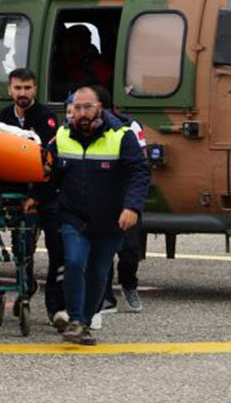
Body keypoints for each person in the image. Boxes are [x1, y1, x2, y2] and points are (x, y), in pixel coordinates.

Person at [49, 85, 147, 345]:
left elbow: (139, 172)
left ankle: (84, 319)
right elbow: (49, 175)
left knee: (98, 274)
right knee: (74, 262)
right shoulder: (62, 135)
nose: (81, 113)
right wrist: (36, 200)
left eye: (87, 107)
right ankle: (77, 322)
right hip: (74, 216)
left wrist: (132, 207)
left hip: (111, 219)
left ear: (99, 108)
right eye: (77, 107)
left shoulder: (122, 135)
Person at [0, 68, 65, 329]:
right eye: (17, 88)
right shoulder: (4, 117)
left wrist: (37, 196)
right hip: (19, 194)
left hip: (46, 194)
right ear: (10, 90)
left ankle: (55, 307)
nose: (22, 93)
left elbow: (49, 163)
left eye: (27, 88)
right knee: (22, 247)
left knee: (58, 249)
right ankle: (26, 288)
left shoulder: (46, 117)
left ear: (35, 89)